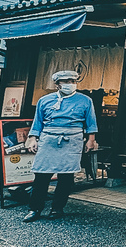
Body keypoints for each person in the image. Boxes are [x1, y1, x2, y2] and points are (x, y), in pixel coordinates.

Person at [22, 70, 98, 223]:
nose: (70, 84)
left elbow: (91, 123)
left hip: (72, 138)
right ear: (57, 84)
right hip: (49, 137)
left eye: (72, 81)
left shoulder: (85, 100)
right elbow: (38, 122)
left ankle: (57, 208)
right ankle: (34, 208)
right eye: (65, 81)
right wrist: (33, 138)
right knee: (42, 175)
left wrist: (91, 140)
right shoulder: (44, 100)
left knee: (66, 176)